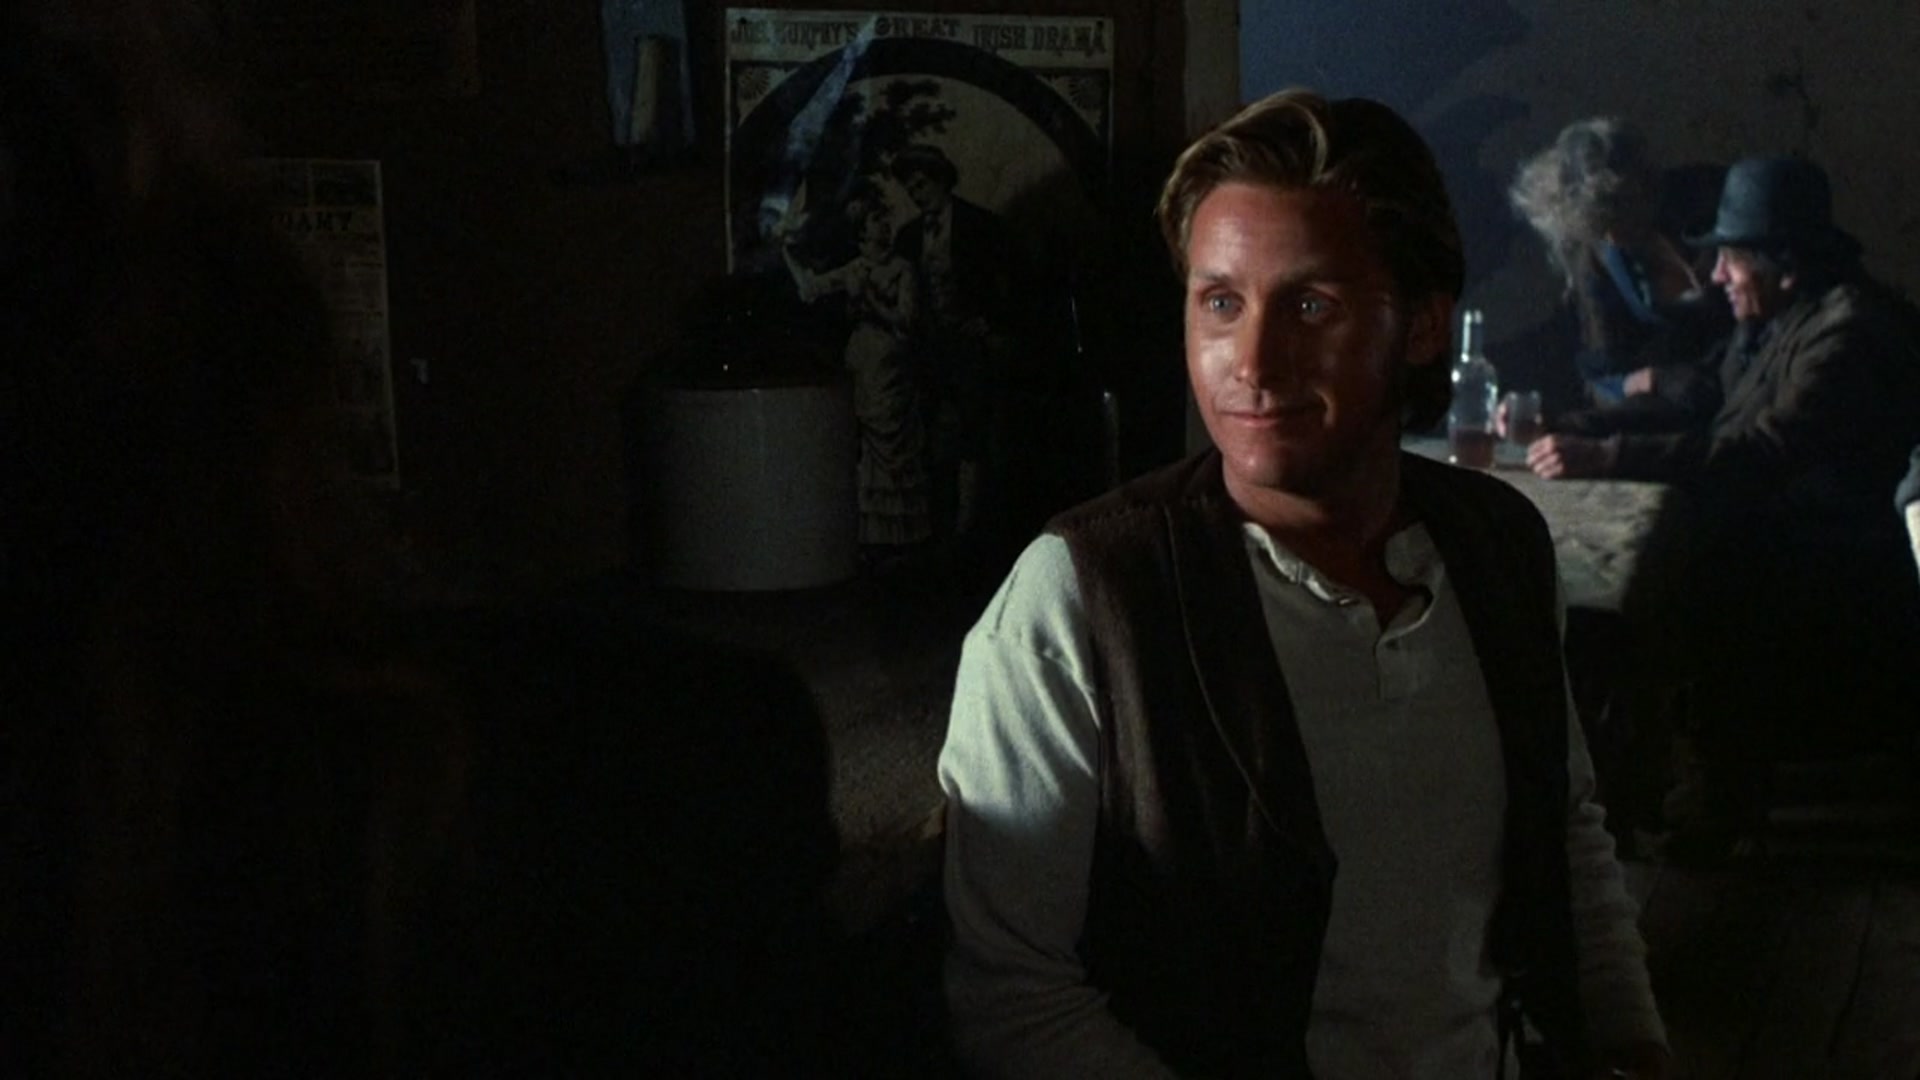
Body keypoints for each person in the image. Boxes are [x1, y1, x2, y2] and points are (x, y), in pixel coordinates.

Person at [937, 88, 1667, 1079]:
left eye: (1311, 305)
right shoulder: (1081, 598)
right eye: (1221, 303)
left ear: (1422, 325)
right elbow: (1013, 996)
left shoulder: (1496, 547)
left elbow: (1567, 833)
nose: (1254, 362)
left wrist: (1632, 1045)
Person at [1528, 156, 1920, 813]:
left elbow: (1760, 451)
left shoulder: (1845, 334)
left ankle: (1709, 796)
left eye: (1731, 260)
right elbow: (1708, 394)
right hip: (1776, 532)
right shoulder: (1779, 316)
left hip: (1836, 562)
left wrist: (1609, 456)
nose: (1715, 277)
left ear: (1782, 264)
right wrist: (1571, 423)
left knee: (1673, 577)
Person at [1509, 118, 1731, 432]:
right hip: (1675, 413)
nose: (1612, 237)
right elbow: (1603, 373)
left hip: (1747, 389)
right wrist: (1646, 381)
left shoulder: (1708, 202)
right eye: (1601, 226)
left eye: (1622, 209)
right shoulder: (1596, 254)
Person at [785, 192, 934, 551]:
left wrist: (870, 298)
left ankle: (905, 536)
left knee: (894, 441)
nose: (884, 227)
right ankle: (874, 535)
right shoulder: (854, 268)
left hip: (890, 366)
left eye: (885, 220)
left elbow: (907, 320)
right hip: (863, 361)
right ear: (862, 231)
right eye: (876, 221)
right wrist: (786, 250)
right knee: (867, 445)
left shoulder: (902, 269)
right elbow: (812, 288)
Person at [890, 143, 1019, 545]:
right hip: (928, 350)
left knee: (974, 431)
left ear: (942, 180)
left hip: (970, 347)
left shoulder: (981, 225)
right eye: (911, 188)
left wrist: (989, 321)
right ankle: (936, 523)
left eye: (922, 184)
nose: (917, 194)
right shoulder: (908, 237)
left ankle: (971, 524)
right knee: (929, 432)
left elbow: (1012, 282)